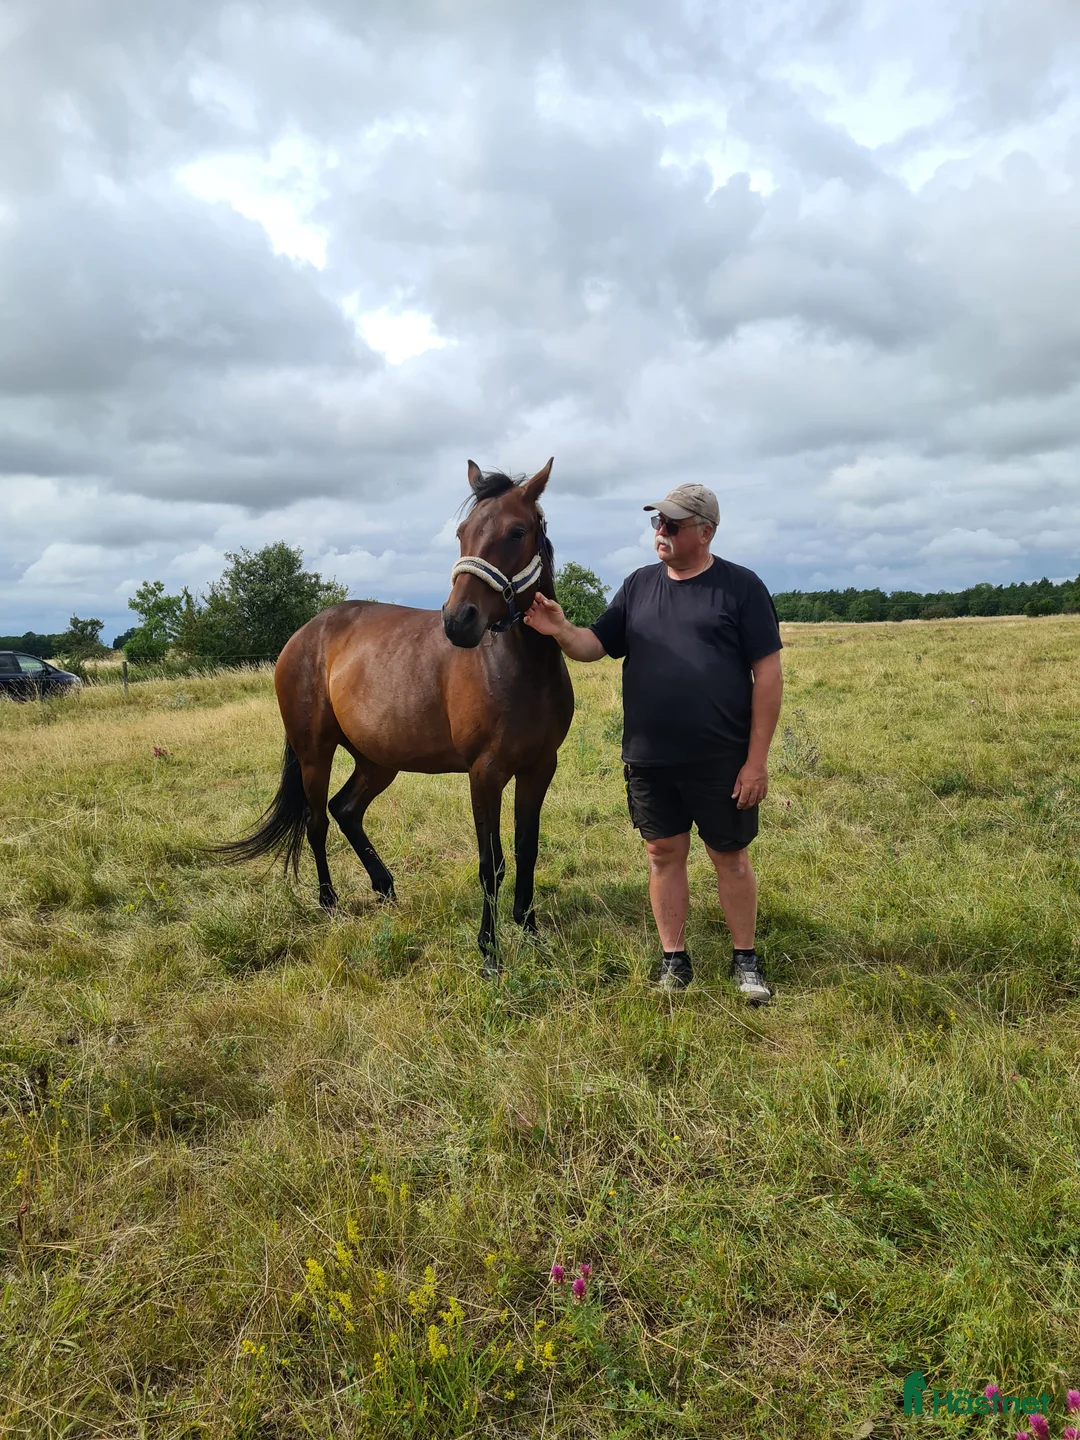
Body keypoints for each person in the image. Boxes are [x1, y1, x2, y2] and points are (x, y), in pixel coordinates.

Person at [524, 483, 783, 1000]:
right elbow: (593, 646)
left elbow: (769, 676)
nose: (660, 532)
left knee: (728, 855)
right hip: (649, 757)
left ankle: (745, 961)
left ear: (705, 532)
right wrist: (559, 627)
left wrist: (756, 762)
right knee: (663, 853)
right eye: (656, 523)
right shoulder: (638, 585)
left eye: (673, 524)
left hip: (721, 757)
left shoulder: (741, 587)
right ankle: (674, 960)